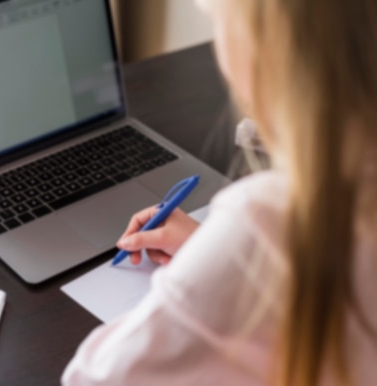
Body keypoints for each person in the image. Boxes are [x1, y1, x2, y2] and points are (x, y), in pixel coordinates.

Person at [62, 0, 377, 385]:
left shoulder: (265, 221)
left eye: (217, 20)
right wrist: (210, 255)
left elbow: (91, 378)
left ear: (265, 44)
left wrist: (203, 278)